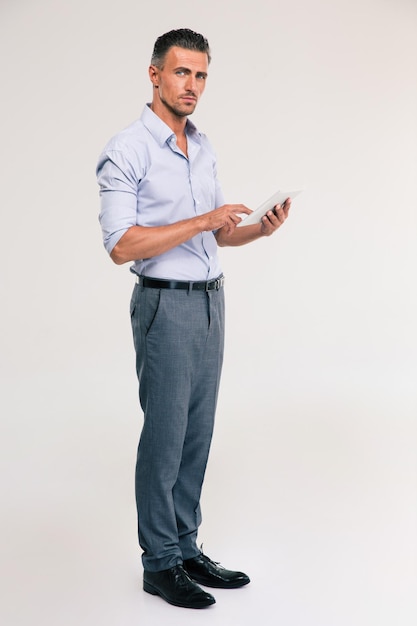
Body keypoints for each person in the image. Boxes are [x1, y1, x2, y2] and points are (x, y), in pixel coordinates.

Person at [96, 28, 291, 610]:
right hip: (164, 303)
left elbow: (215, 237)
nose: (192, 85)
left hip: (210, 299)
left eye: (201, 75)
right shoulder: (127, 148)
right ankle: (159, 563)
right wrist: (204, 219)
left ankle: (184, 546)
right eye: (182, 73)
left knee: (197, 434)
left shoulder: (201, 146)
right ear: (154, 74)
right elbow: (121, 244)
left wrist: (258, 227)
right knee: (165, 438)